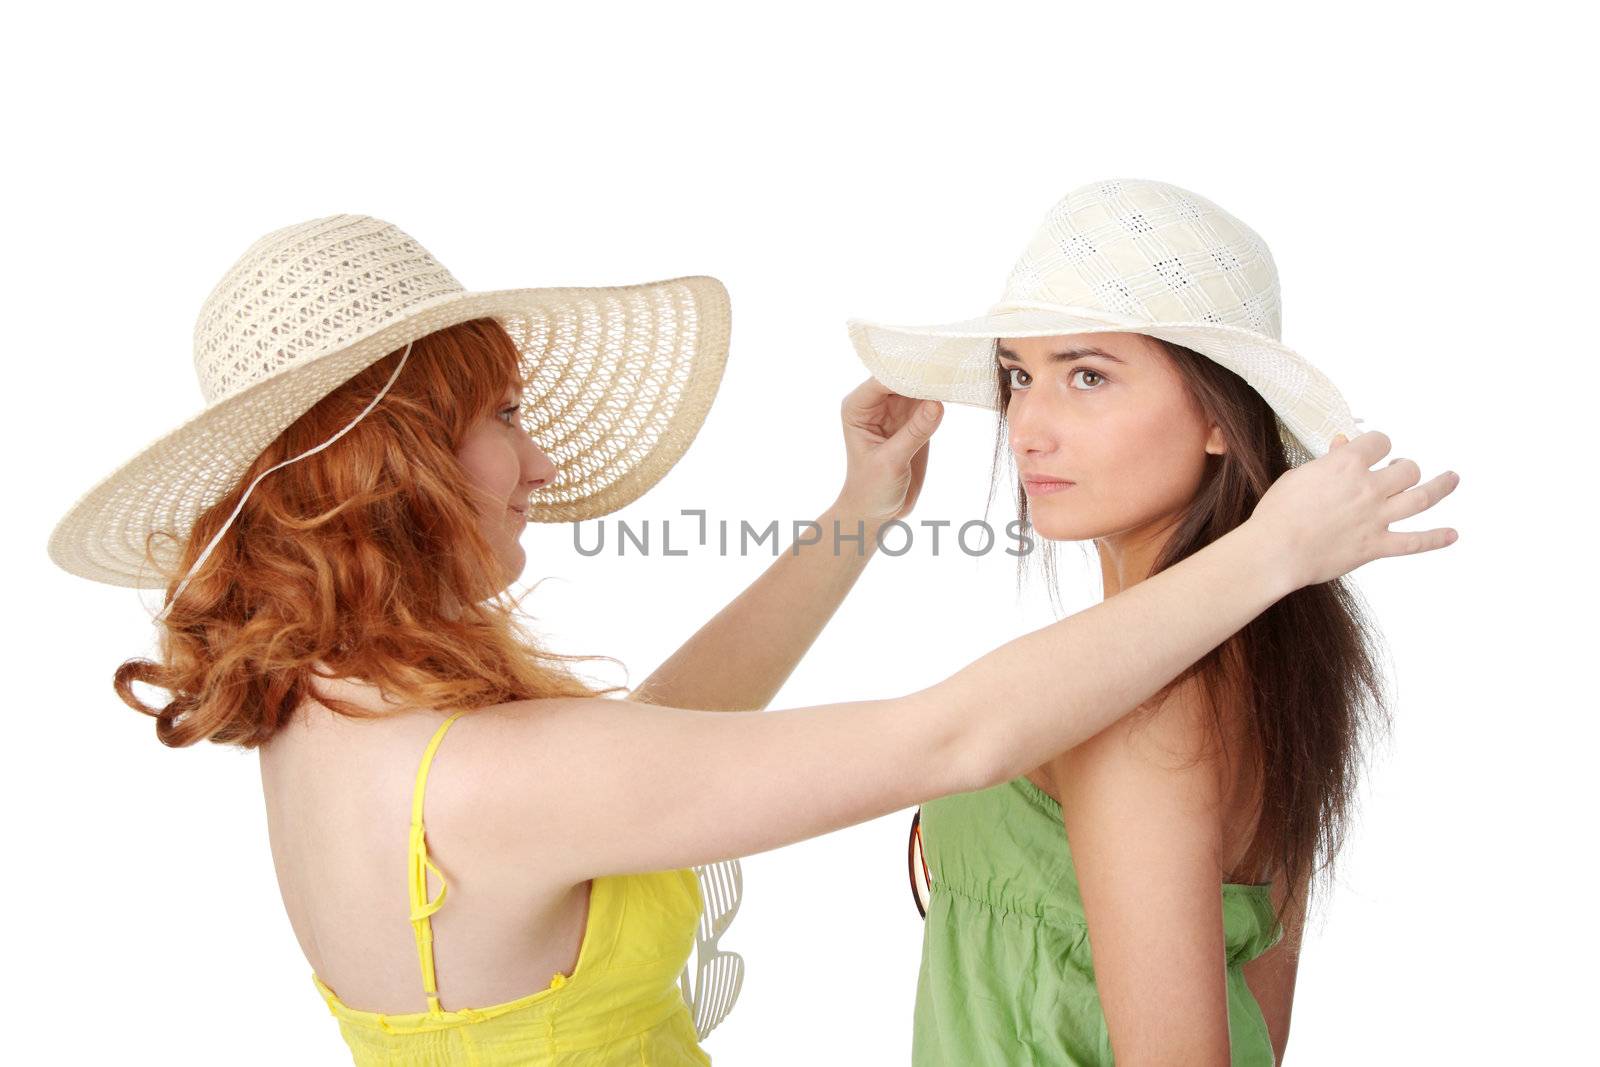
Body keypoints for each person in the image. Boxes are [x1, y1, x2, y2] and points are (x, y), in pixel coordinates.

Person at [47, 212, 1458, 1066]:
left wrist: (857, 515)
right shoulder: (486, 778)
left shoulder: (337, 712)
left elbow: (642, 751)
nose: (536, 465)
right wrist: (1273, 552)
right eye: (506, 422)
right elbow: (951, 735)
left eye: (1083, 373)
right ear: (404, 463)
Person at [848, 176, 1442, 1064]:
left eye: (1087, 375)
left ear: (1218, 412)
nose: (1028, 427)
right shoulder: (1273, 661)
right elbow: (1259, 1027)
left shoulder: (1142, 715)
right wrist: (855, 514)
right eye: (1018, 375)